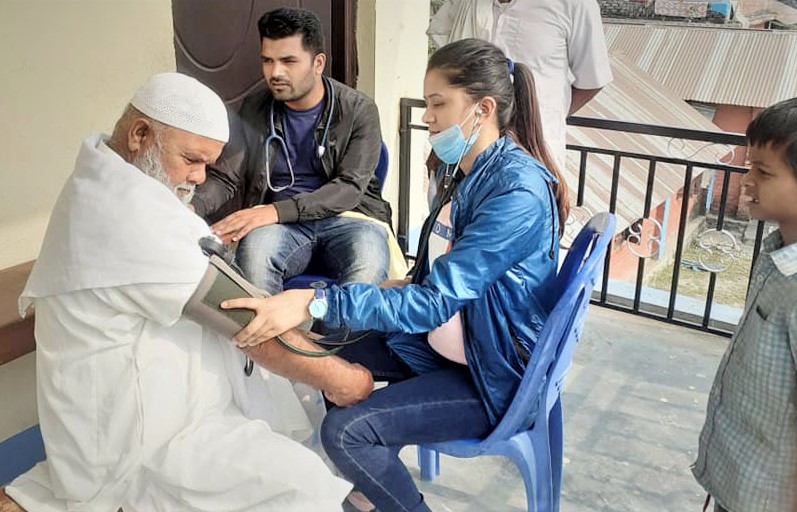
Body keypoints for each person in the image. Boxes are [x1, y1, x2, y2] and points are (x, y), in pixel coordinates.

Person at [222, 38, 571, 512]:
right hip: (458, 340)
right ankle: (373, 488)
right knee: (329, 349)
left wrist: (313, 300)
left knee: (345, 431)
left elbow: (434, 302)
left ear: (483, 108)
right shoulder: (466, 170)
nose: (428, 117)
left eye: (438, 104)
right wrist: (362, 297)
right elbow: (431, 279)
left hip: (493, 374)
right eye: (427, 103)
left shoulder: (517, 192)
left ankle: (386, 488)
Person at [0, 72, 375, 512]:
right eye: (192, 159)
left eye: (207, 165)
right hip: (145, 439)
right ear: (140, 134)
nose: (198, 178)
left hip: (159, 405)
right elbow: (248, 323)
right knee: (306, 488)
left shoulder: (110, 177)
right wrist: (344, 378)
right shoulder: (127, 213)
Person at [192, 7, 398, 295]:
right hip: (283, 226)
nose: (275, 72)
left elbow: (350, 188)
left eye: (288, 61)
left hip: (350, 218)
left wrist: (274, 211)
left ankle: (337, 328)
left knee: (368, 263)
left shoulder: (358, 110)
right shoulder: (255, 108)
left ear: (318, 63)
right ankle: (267, 326)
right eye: (268, 61)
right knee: (254, 259)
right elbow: (227, 176)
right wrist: (190, 207)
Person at [692, 97, 797, 512]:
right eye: (750, 166)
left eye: (763, 172)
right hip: (740, 480)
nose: (747, 180)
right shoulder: (777, 254)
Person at [427, 0, 613, 170]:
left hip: (531, 153)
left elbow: (592, 80)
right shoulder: (466, 4)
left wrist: (536, 117)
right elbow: (448, 72)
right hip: (464, 149)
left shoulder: (575, 5)